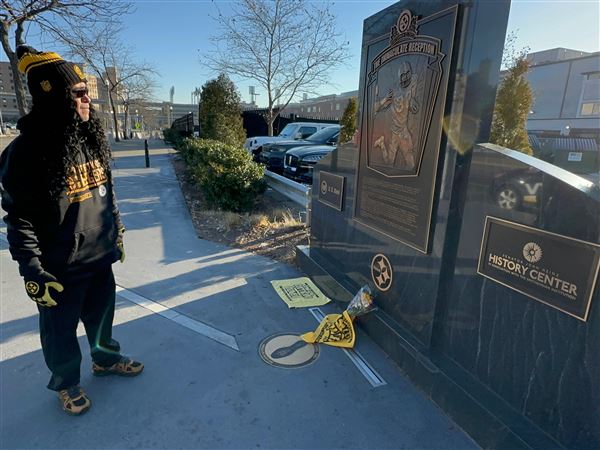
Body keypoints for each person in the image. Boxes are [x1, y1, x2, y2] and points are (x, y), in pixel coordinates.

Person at [0, 46, 143, 416]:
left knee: (102, 318)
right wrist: (33, 271)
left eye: (86, 91)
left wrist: (117, 229)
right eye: (78, 93)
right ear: (52, 95)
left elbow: (105, 191)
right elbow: (19, 220)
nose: (86, 100)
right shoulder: (25, 153)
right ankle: (66, 382)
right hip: (58, 267)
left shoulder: (90, 138)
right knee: (59, 332)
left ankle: (105, 360)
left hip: (99, 254)